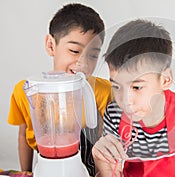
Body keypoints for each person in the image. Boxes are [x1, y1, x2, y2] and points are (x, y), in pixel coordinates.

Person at [92, 19, 175, 177]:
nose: (125, 101)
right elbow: (110, 172)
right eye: (117, 86)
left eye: (136, 87)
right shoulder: (114, 114)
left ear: (165, 79)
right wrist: (102, 162)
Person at [7, 3, 112, 177]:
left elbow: (110, 141)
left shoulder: (104, 91)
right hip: (46, 165)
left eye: (93, 55)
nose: (83, 63)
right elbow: (23, 136)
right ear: (50, 45)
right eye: (74, 50)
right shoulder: (26, 90)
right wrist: (26, 171)